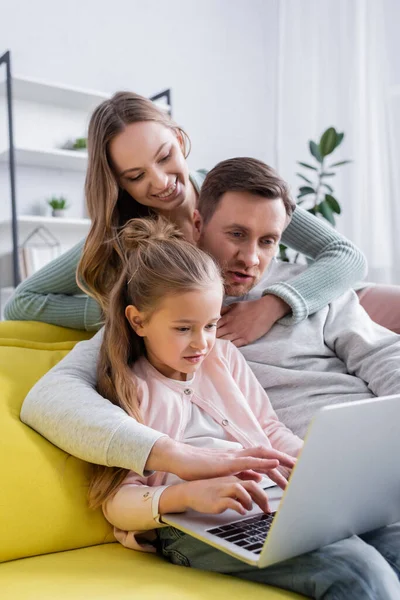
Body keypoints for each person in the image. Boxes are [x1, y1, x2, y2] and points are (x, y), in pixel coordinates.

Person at [21, 157, 400, 501]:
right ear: (198, 225)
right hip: (307, 482)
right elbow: (49, 398)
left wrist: (276, 304)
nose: (251, 259)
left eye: (268, 241)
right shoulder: (167, 319)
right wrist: (169, 454)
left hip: (380, 457)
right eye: (236, 234)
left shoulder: (313, 289)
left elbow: (386, 356)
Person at [89, 216, 400, 600]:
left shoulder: (224, 356)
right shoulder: (129, 387)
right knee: (359, 573)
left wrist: (316, 470)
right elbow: (116, 501)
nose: (201, 343)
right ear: (138, 321)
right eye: (183, 328)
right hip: (190, 526)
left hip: (271, 504)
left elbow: (269, 431)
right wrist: (186, 497)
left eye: (210, 325)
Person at [5, 90, 368, 339]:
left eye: (164, 157)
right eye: (136, 176)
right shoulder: (126, 234)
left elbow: (346, 255)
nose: (161, 183)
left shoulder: (231, 191)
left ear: (179, 140)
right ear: (118, 183)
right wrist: (116, 311)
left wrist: (273, 306)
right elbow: (21, 302)